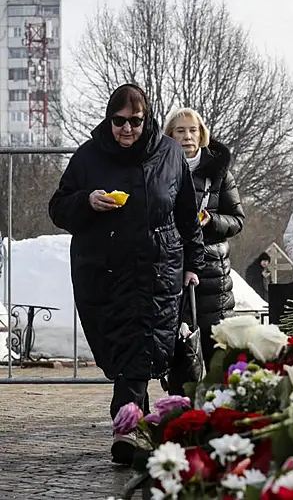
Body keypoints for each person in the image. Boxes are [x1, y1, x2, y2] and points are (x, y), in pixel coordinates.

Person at [48, 84, 204, 465]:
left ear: (146, 119)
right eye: (119, 121)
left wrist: (192, 264)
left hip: (159, 267)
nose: (127, 129)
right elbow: (58, 207)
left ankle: (129, 430)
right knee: (125, 350)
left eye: (135, 121)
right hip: (105, 269)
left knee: (143, 345)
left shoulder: (169, 154)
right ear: (109, 119)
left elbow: (187, 213)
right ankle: (145, 429)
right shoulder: (87, 157)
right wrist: (86, 201)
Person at [164, 107, 245, 368]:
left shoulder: (220, 174)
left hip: (213, 275)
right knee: (180, 352)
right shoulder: (160, 171)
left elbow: (237, 220)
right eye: (180, 130)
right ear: (170, 136)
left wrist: (212, 221)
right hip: (171, 267)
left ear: (202, 135)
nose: (187, 136)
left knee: (215, 353)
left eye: (193, 130)